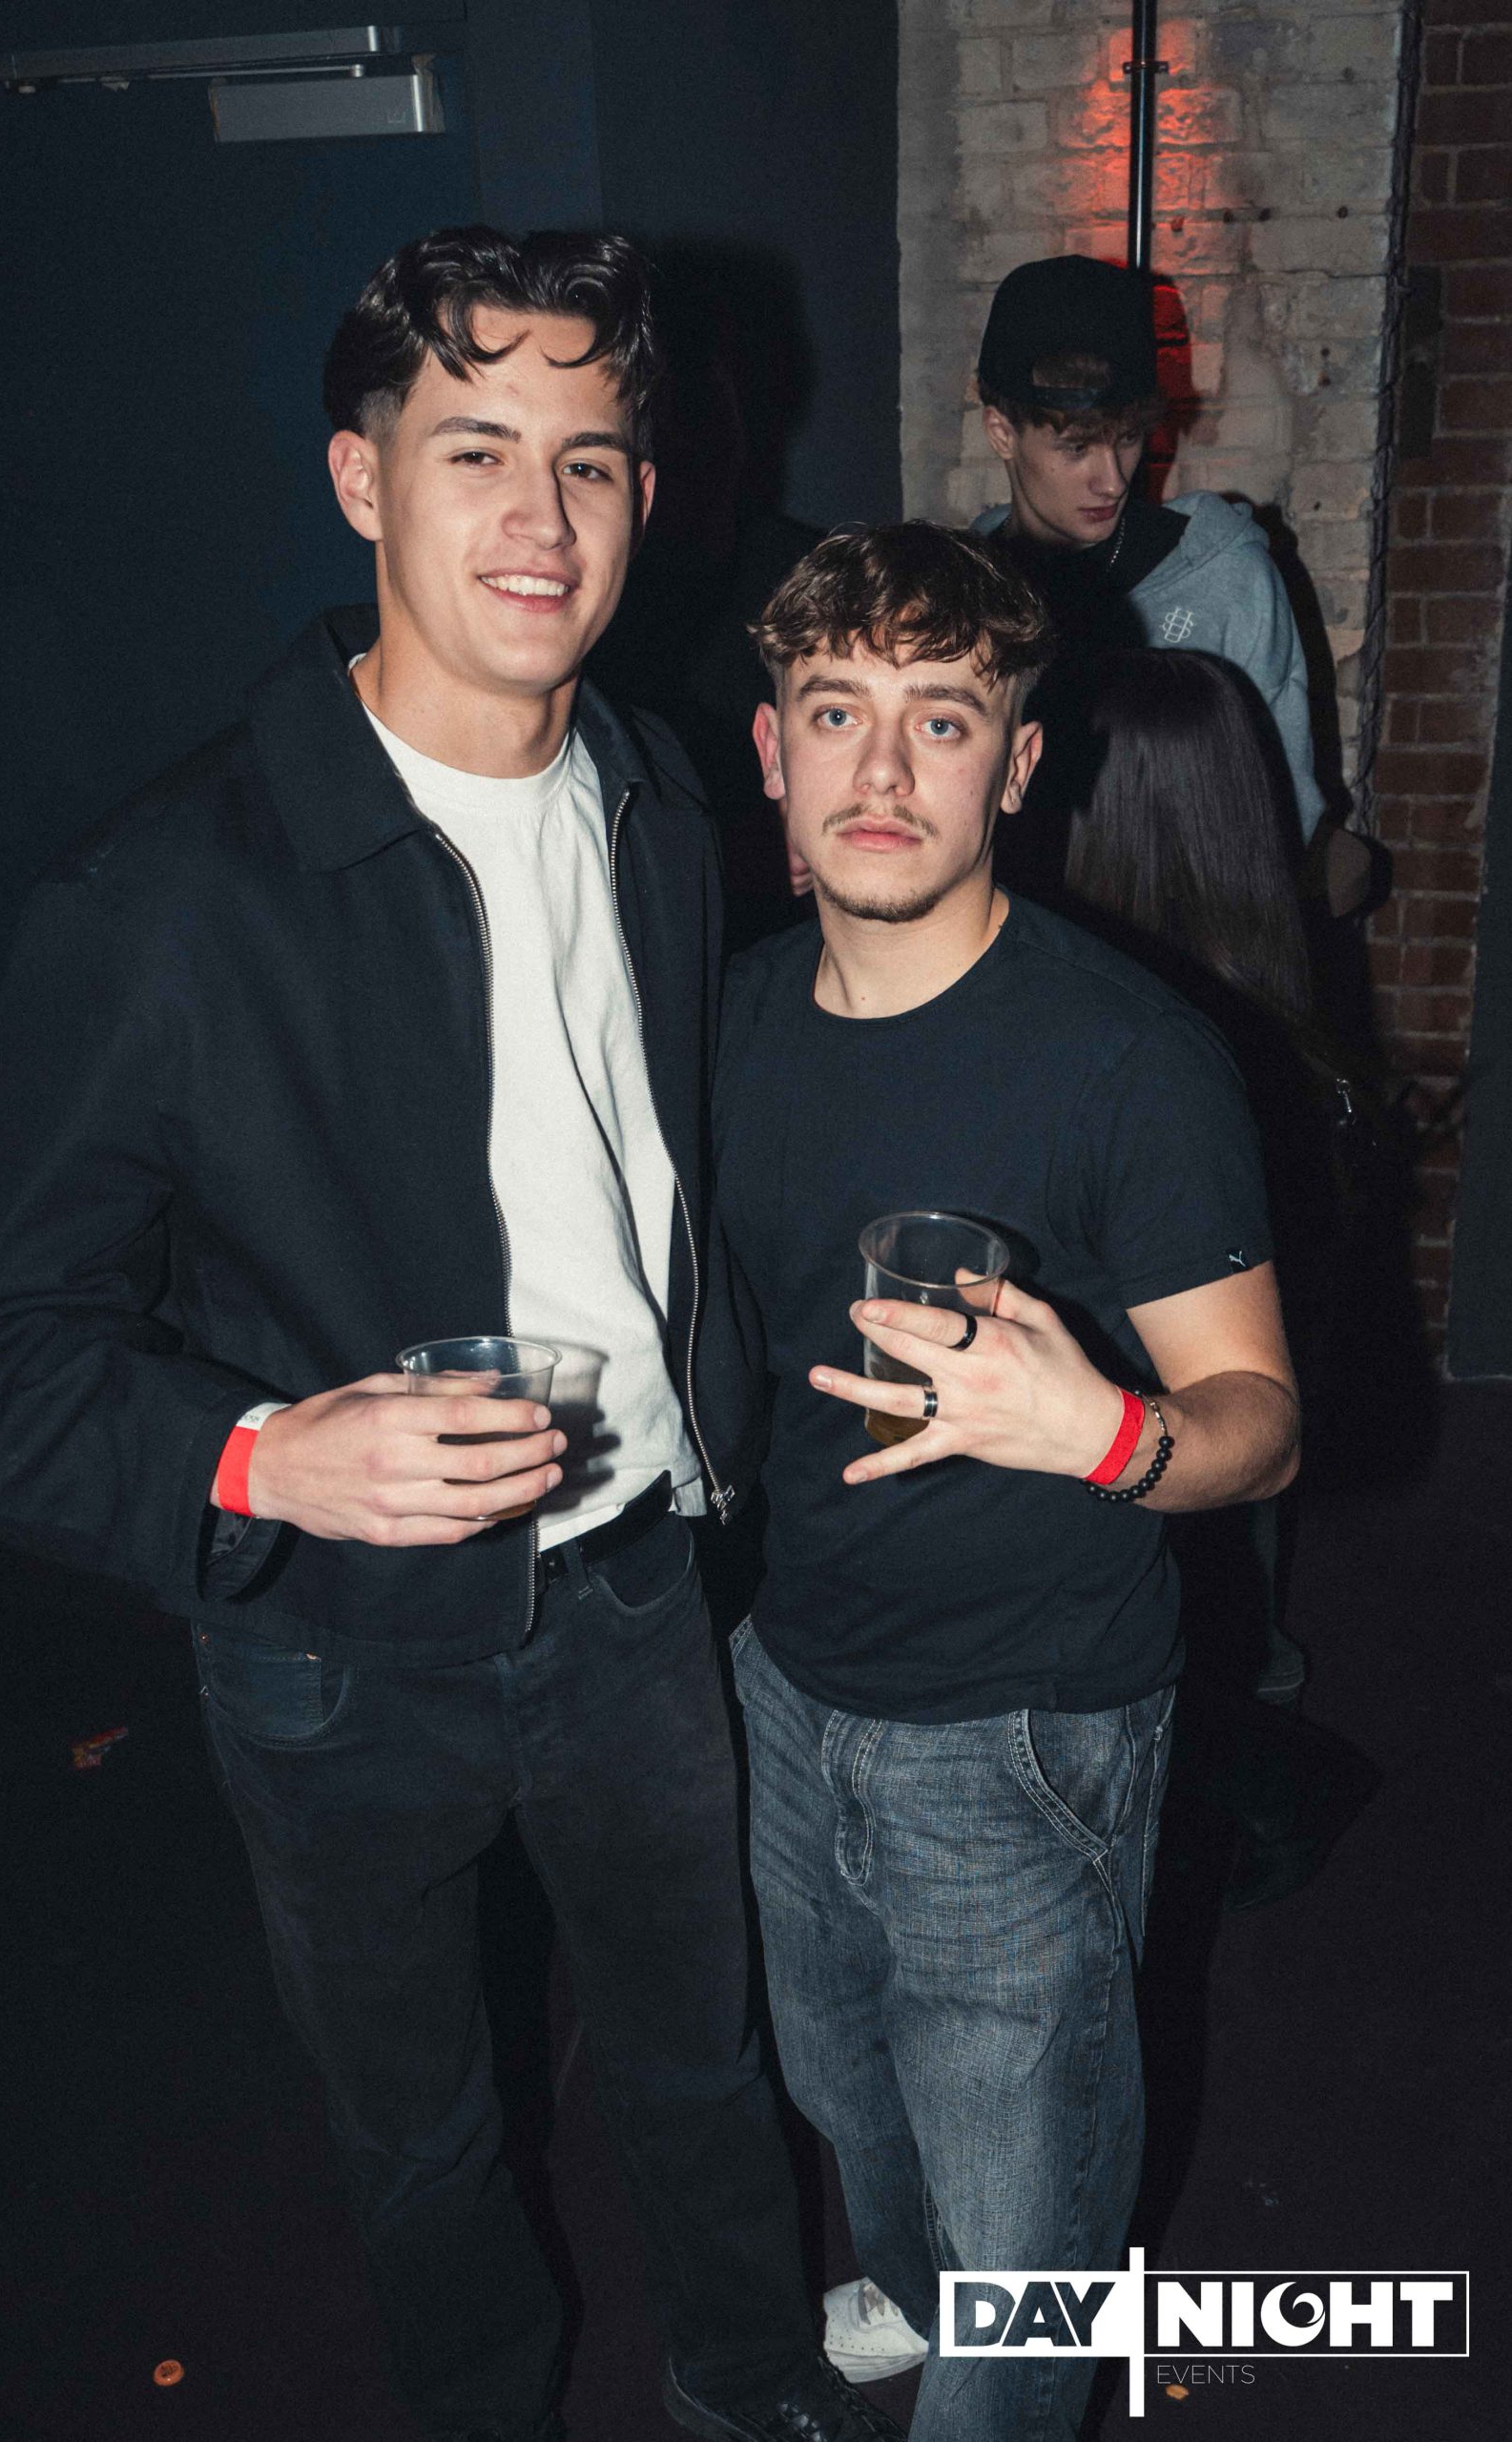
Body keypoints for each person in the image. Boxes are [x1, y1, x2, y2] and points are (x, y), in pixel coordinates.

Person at [0, 229, 898, 2442]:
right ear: (360, 479)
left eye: (589, 462)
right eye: (473, 450)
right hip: (335, 1647)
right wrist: (255, 1454)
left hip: (634, 1585)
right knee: (418, 2127)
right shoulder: (167, 894)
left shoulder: (650, 794)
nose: (539, 518)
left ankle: (749, 2384)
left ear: (647, 499)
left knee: (699, 2055)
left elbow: (649, 1172)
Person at [714, 523, 1300, 2440]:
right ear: (771, 751)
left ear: (1018, 764)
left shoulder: (1127, 1060)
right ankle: (923, 2293)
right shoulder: (725, 1020)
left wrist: (1106, 1431)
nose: (882, 769)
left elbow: (1263, 1419)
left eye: (942, 720)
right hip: (788, 1683)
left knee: (1020, 2231)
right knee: (845, 2099)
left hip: (1024, 1730)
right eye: (836, 713)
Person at [1062, 647, 1390, 1893]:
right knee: (1239, 1577)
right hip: (1255, 1411)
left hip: (1143, 1454)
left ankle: (1239, 1777)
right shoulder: (1284, 995)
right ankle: (1254, 1729)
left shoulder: (1121, 1038)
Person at [968, 253, 1325, 851]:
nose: (1113, 480)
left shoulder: (1227, 580)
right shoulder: (962, 586)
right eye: (1077, 448)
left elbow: (1285, 813)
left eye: (1129, 439)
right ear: (1002, 433)